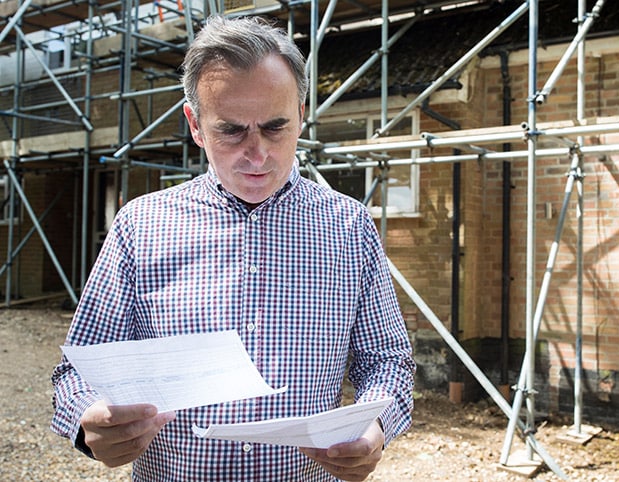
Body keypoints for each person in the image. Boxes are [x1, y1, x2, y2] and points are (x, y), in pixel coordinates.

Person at [51, 15, 415, 482]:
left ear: (302, 113)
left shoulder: (349, 226)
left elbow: (387, 361)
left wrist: (373, 425)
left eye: (275, 127)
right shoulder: (140, 226)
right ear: (195, 124)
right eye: (231, 131)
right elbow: (76, 367)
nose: (257, 153)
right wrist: (89, 421)